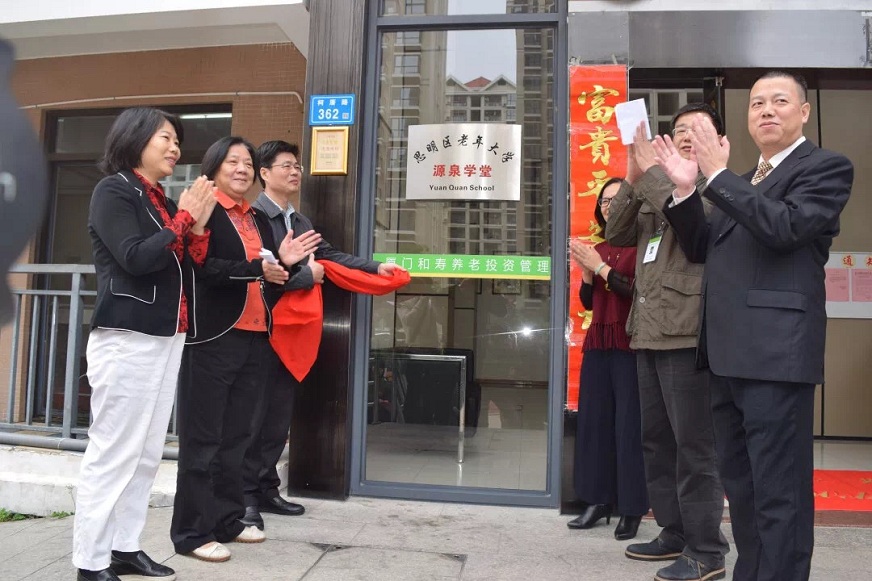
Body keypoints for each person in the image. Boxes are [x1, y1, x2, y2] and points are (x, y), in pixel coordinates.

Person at [655, 71, 853, 581]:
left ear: (803, 112)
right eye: (757, 103)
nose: (766, 110)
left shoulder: (825, 168)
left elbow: (785, 228)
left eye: (779, 101)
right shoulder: (743, 181)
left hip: (776, 356)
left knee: (779, 491)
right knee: (742, 488)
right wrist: (686, 190)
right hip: (726, 356)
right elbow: (704, 248)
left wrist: (718, 178)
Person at [73, 107, 217, 581]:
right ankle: (90, 562)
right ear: (135, 139)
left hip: (166, 336)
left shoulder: (162, 200)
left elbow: (188, 263)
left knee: (147, 451)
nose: (175, 148)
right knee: (114, 452)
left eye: (177, 140)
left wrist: (196, 226)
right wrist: (184, 218)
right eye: (166, 138)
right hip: (127, 336)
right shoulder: (114, 190)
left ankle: (124, 548)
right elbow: (135, 257)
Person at [240, 139, 405, 530]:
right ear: (264, 173)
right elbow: (256, 275)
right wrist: (305, 276)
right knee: (253, 417)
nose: (295, 172)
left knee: (278, 416)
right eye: (286, 165)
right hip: (258, 330)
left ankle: (265, 488)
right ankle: (242, 496)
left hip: (291, 333)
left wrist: (375, 267)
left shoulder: (300, 221)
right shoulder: (253, 219)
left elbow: (329, 257)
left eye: (297, 166)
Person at [170, 136, 320, 562]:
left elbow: (268, 277)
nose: (242, 169)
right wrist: (259, 269)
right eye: (232, 162)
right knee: (203, 441)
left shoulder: (253, 217)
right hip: (214, 337)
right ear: (214, 166)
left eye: (248, 164)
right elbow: (203, 269)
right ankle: (191, 533)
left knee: (237, 438)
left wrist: (284, 263)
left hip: (255, 336)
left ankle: (228, 520)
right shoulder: (205, 209)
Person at [606, 104, 729, 581]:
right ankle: (674, 531)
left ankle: (707, 550)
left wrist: (655, 176)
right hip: (649, 330)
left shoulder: (719, 187)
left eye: (697, 129)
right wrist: (633, 174)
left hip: (687, 332)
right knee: (656, 442)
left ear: (718, 140)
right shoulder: (656, 185)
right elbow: (615, 233)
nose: (685, 136)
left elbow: (698, 233)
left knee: (694, 447)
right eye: (678, 130)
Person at [567, 178, 648, 541]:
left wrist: (599, 268)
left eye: (617, 200)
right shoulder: (597, 247)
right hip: (599, 344)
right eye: (604, 201)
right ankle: (597, 501)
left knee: (629, 428)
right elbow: (588, 302)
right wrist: (588, 274)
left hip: (631, 347)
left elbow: (637, 292)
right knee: (594, 425)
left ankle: (631, 508)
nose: (609, 206)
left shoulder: (644, 246)